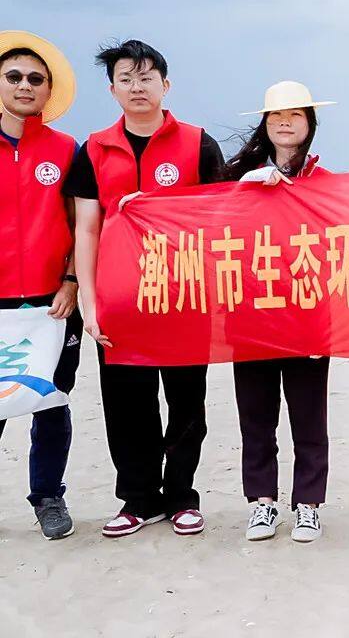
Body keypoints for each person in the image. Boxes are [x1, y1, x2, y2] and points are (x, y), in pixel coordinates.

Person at [63, 39, 224, 537]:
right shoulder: (94, 149)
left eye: (147, 77)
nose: (137, 87)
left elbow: (219, 218)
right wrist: (89, 303)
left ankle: (181, 496)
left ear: (165, 85)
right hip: (120, 300)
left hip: (184, 298)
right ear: (112, 89)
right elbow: (86, 229)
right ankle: (138, 499)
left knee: (186, 402)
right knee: (127, 404)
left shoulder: (198, 144)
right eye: (126, 79)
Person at [223, 81, 334, 542]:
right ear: (265, 124)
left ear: (310, 123)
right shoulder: (235, 175)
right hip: (250, 315)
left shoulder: (325, 182)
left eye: (295, 115)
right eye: (276, 116)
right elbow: (203, 221)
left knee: (309, 415)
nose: (285, 122)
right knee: (256, 415)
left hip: (308, 315)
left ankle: (308, 504)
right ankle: (262, 502)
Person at [0, 30, 82, 540]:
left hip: (52, 304)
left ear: (49, 90)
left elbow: (81, 223)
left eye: (36, 78)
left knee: (50, 402)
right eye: (14, 76)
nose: (25, 85)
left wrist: (71, 280)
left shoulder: (65, 149)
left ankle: (48, 497)